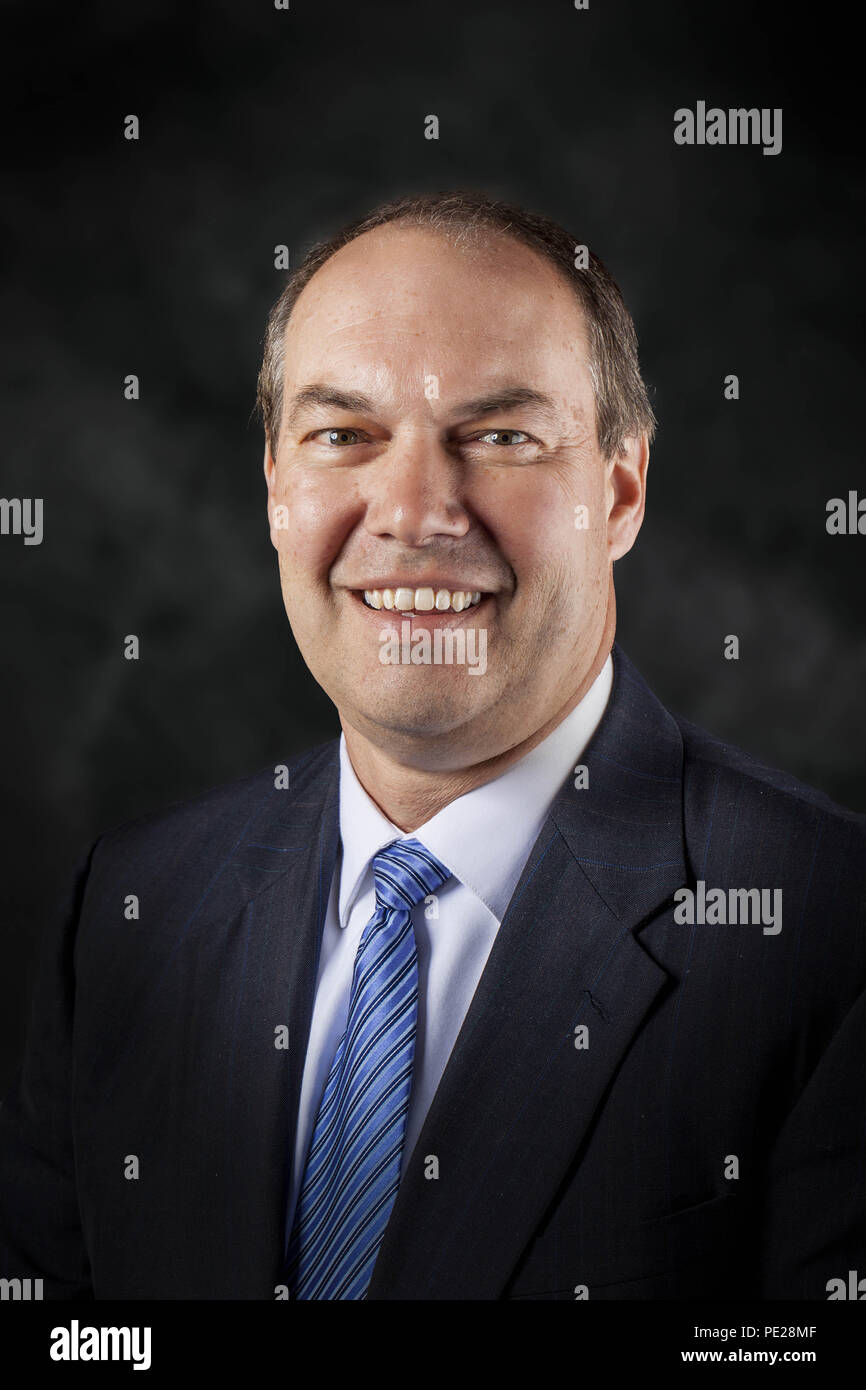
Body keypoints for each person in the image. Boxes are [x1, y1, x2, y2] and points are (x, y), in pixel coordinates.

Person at [1, 191, 863, 1301]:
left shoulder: (827, 934)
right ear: (274, 482)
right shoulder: (129, 910)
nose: (412, 509)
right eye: (343, 435)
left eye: (498, 435)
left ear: (618, 488)